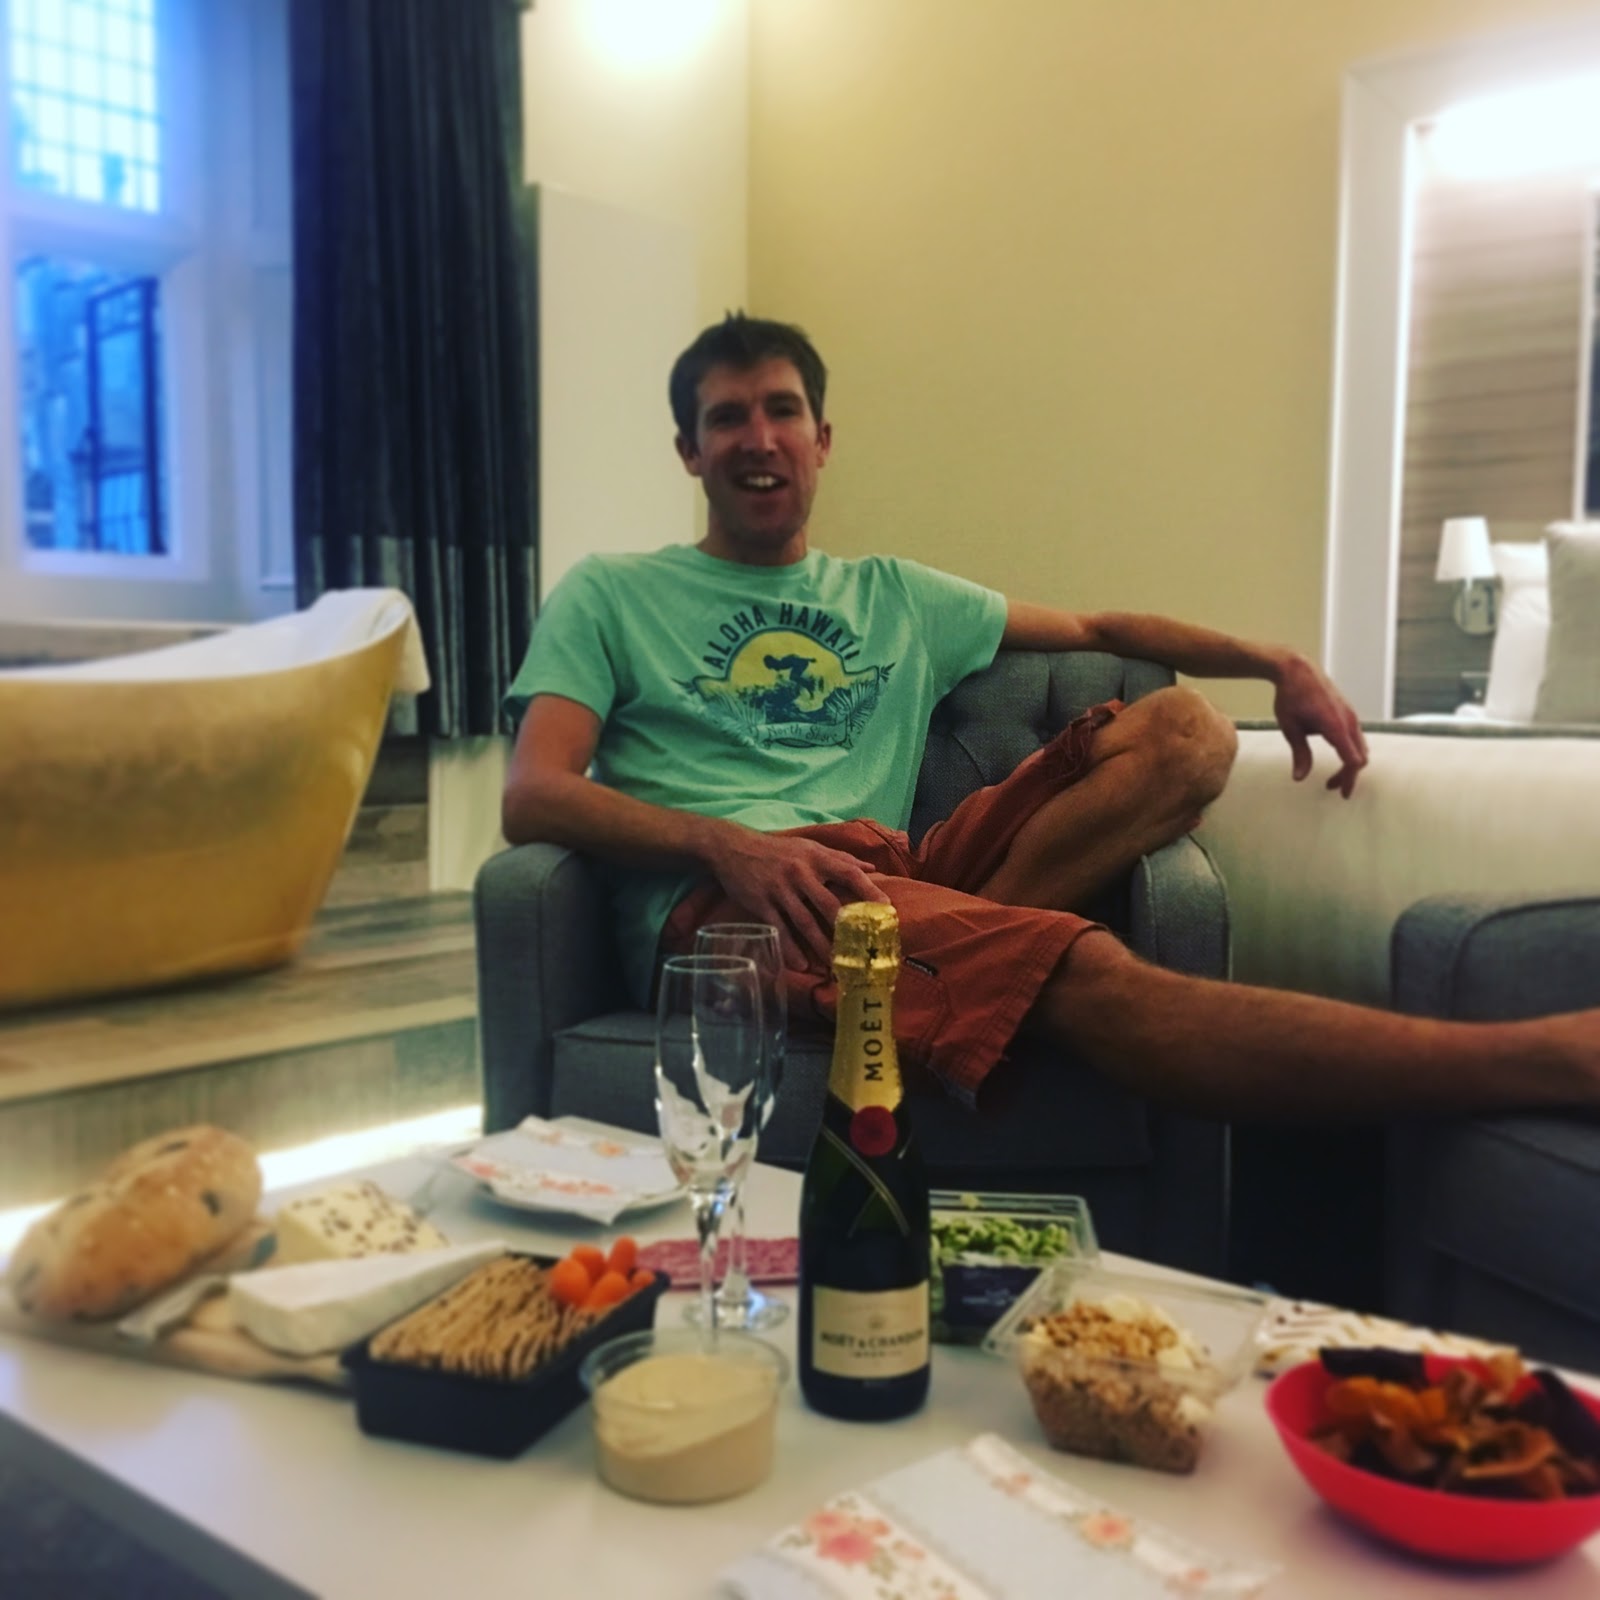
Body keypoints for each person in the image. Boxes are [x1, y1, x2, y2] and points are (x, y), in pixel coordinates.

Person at [502, 313, 1600, 1122]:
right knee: (1090, 973)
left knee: (1188, 731)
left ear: (821, 438)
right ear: (690, 452)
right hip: (740, 912)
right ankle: (1539, 1061)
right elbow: (534, 794)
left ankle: (949, 975)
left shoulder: (893, 594)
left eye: (781, 410)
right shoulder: (611, 592)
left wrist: (1275, 660)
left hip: (894, 871)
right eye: (726, 418)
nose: (758, 437)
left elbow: (1096, 625)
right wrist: (724, 845)